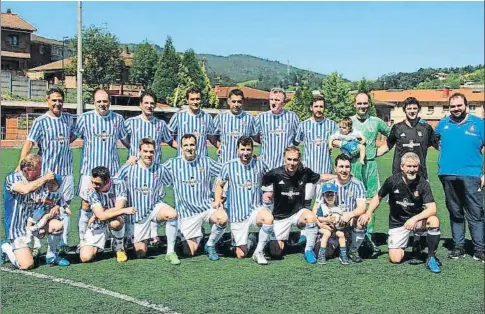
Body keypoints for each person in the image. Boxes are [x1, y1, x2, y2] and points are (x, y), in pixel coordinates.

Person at [359, 152, 442, 273]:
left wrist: (414, 219)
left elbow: (432, 208)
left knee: (433, 220)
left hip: (415, 222)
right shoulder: (392, 181)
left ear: (418, 167)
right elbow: (378, 197)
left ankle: (431, 257)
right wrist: (368, 213)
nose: (412, 169)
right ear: (402, 166)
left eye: (415, 166)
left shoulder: (423, 183)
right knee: (395, 258)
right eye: (408, 166)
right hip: (397, 224)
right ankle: (415, 246)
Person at [16, 87, 76, 251]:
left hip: (66, 171)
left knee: (65, 205)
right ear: (48, 100)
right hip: (47, 172)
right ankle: (35, 242)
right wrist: (21, 164)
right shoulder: (40, 121)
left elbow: (73, 135)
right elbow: (29, 143)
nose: (57, 103)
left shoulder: (69, 119)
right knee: (43, 206)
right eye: (54, 100)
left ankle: (62, 243)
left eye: (60, 100)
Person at [334, 92, 390, 255]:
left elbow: (392, 137)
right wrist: (346, 146)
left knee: (371, 200)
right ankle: (350, 235)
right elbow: (335, 139)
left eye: (365, 103)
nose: (362, 106)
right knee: (350, 199)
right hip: (351, 166)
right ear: (354, 104)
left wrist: (379, 152)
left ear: (369, 104)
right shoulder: (347, 122)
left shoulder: (377, 122)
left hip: (370, 165)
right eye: (359, 103)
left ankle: (368, 236)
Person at [73, 89, 129, 246]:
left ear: (109, 102)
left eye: (105, 101)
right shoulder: (84, 118)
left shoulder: (118, 119)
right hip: (89, 172)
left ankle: (114, 238)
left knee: (112, 205)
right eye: (99, 101)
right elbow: (72, 137)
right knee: (85, 205)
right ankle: (82, 239)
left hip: (111, 173)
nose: (102, 104)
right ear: (94, 102)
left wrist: (135, 155)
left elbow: (126, 141)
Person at [261, 146, 336, 264]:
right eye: (289, 159)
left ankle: (308, 249)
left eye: (295, 160)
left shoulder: (305, 173)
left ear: (299, 160)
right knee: (276, 252)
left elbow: (321, 177)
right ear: (284, 159)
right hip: (281, 216)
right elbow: (260, 182)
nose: (292, 163)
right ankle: (290, 241)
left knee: (310, 217)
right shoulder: (275, 173)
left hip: (298, 213)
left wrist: (340, 177)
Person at [435, 92, 484, 262]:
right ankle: (459, 247)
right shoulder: (442, 124)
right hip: (447, 175)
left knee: (475, 213)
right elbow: (437, 142)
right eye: (453, 106)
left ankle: (479, 249)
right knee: (455, 212)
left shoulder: (478, 124)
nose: (456, 109)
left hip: (472, 175)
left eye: (459, 105)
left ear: (466, 105)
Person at [162, 134, 228, 261]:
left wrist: (219, 197)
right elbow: (156, 171)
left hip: (206, 207)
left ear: (196, 146)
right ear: (181, 147)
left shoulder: (205, 161)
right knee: (189, 252)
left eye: (192, 144)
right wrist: (136, 161)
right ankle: (200, 234)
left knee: (223, 218)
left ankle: (210, 244)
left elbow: (226, 172)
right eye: (186, 145)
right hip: (187, 214)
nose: (189, 148)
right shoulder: (173, 163)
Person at [124, 90, 176, 246]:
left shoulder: (160, 124)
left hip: (155, 170)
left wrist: (185, 150)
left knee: (155, 199)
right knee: (134, 200)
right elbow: (123, 138)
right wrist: (132, 153)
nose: (149, 106)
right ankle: (128, 234)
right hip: (136, 170)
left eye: (152, 103)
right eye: (146, 103)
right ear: (140, 105)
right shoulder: (131, 122)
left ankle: (153, 235)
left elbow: (169, 141)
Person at [116, 138, 180, 264]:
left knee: (172, 214)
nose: (148, 154)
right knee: (141, 253)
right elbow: (113, 182)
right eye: (145, 151)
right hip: (136, 215)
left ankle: (170, 252)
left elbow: (174, 183)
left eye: (151, 152)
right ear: (139, 152)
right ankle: (127, 240)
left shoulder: (160, 169)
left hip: (154, 208)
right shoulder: (129, 168)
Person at [213, 136, 274, 265]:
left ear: (252, 150)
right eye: (242, 149)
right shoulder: (229, 166)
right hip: (238, 214)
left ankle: (258, 252)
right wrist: (218, 199)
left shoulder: (259, 164)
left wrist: (268, 192)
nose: (245, 153)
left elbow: (271, 178)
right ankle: (250, 238)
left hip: (255, 209)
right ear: (237, 150)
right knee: (241, 254)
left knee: (268, 218)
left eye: (248, 149)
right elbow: (219, 184)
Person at [2, 154, 68, 269]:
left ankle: (51, 256)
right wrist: (44, 178)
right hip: (17, 228)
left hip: (35, 223)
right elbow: (25, 189)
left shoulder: (38, 180)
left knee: (57, 225)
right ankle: (5, 246)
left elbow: (53, 193)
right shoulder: (12, 178)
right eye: (37, 170)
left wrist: (56, 206)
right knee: (26, 265)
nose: (40, 173)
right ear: (27, 170)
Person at [315, 154, 368, 263]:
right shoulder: (328, 185)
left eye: (347, 167)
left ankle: (353, 250)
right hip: (329, 223)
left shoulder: (358, 184)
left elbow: (362, 207)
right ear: (335, 168)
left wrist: (349, 215)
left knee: (363, 218)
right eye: (341, 167)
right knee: (324, 253)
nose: (344, 170)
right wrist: (320, 223)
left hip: (348, 222)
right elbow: (315, 209)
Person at [79, 166, 136, 263]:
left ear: (106, 181)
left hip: (115, 219)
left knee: (115, 223)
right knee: (85, 257)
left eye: (97, 183)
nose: (93, 185)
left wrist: (100, 213)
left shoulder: (119, 184)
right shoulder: (91, 191)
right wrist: (124, 210)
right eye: (92, 182)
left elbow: (118, 208)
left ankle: (119, 248)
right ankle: (104, 242)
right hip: (99, 222)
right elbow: (102, 216)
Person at [377, 97, 439, 179]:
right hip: (399, 174)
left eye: (415, 108)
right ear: (404, 110)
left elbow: (438, 145)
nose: (412, 111)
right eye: (409, 108)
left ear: (419, 109)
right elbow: (387, 146)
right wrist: (371, 154)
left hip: (420, 174)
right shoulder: (397, 128)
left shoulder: (426, 128)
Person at [254, 87, 300, 170]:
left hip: (286, 167)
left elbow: (297, 139)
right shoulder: (261, 117)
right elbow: (255, 136)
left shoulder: (292, 116)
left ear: (283, 103)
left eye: (277, 100)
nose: (273, 102)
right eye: (271, 99)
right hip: (266, 166)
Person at [212, 89, 257, 164]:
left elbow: (256, 137)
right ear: (228, 101)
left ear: (243, 102)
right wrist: (219, 146)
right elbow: (211, 136)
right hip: (225, 162)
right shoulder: (220, 117)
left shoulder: (250, 118)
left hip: (243, 164)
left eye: (239, 102)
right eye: (233, 101)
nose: (236, 104)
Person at [168, 88, 214, 157]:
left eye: (197, 99)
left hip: (201, 160)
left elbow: (211, 137)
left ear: (201, 100)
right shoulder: (179, 116)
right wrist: (179, 148)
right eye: (192, 99)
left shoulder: (207, 117)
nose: (195, 102)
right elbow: (167, 134)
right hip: (183, 160)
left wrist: (220, 146)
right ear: (187, 100)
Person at [312, 182, 349, 265]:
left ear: (336, 195)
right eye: (327, 195)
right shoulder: (322, 207)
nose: (329, 197)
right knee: (327, 233)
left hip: (335, 229)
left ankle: (343, 255)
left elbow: (342, 218)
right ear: (323, 196)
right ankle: (321, 255)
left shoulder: (338, 208)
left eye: (331, 195)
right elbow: (318, 218)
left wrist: (339, 222)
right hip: (324, 228)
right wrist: (327, 219)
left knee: (341, 234)